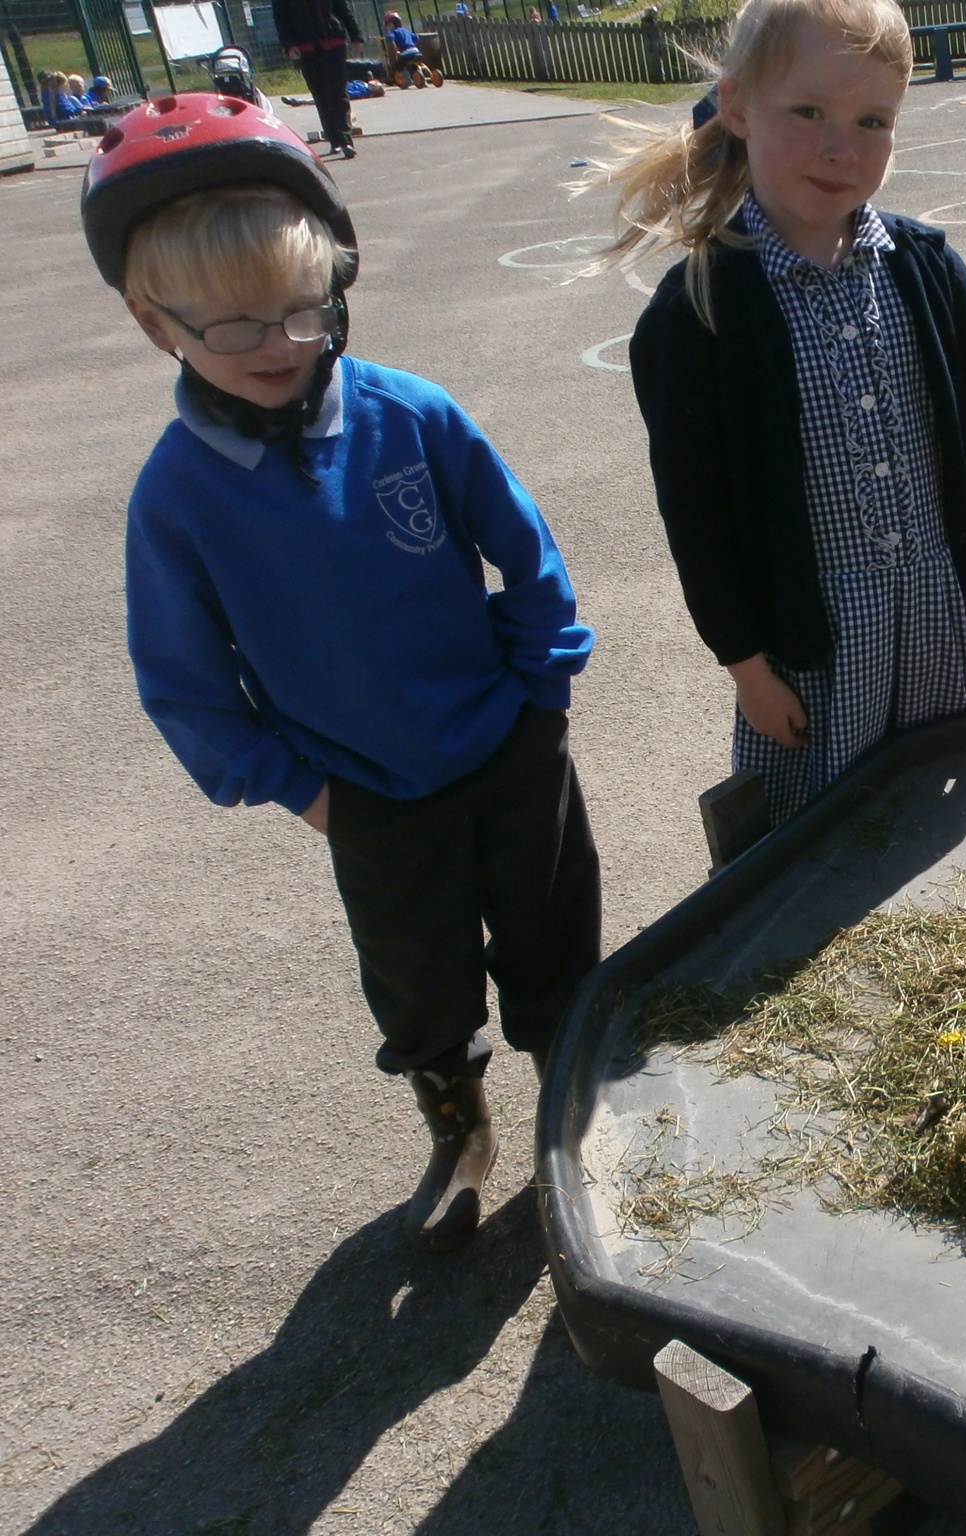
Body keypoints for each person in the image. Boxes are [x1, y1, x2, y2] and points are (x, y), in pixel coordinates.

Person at [81, 98, 602, 1251]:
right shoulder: (178, 497)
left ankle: (575, 1104)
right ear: (153, 323)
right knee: (418, 984)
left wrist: (543, 695)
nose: (276, 344)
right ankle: (457, 1119)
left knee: (551, 943)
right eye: (230, 328)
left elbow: (526, 554)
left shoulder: (410, 416)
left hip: (507, 748)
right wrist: (302, 790)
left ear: (338, 278)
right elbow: (181, 680)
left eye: (302, 310)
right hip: (364, 789)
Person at [617, 0, 966, 825]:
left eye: (872, 120)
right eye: (808, 112)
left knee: (927, 820)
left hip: (935, 622)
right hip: (809, 649)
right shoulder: (699, 310)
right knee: (814, 837)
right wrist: (746, 668)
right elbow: (697, 517)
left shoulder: (927, 271)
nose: (842, 148)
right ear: (738, 107)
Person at [272, 0, 363, 157]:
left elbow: (342, 9)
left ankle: (346, 140)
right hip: (305, 46)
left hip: (334, 41)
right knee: (321, 94)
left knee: (339, 91)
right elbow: (281, 18)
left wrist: (356, 36)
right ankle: (335, 139)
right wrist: (288, 45)